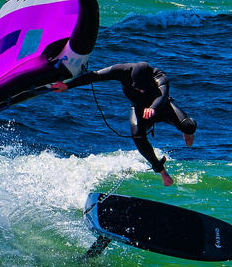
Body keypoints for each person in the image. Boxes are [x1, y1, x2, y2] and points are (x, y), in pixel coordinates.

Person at [52, 62, 196, 186]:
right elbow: (94, 75)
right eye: (139, 88)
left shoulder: (160, 77)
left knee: (189, 125)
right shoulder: (122, 71)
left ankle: (185, 130)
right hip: (139, 109)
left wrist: (152, 109)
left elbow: (162, 97)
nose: (142, 91)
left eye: (144, 89)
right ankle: (161, 171)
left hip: (161, 107)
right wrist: (67, 86)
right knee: (137, 135)